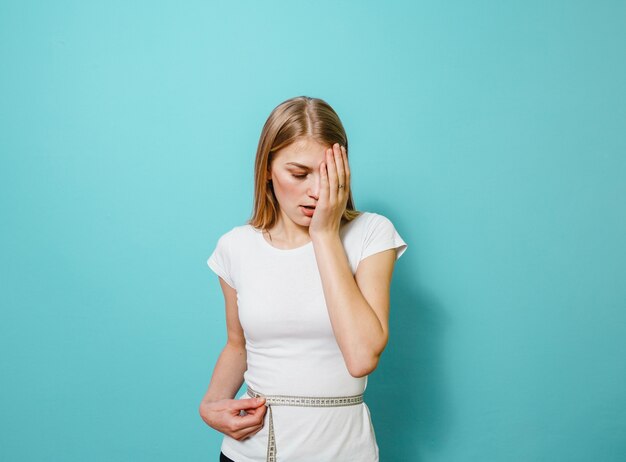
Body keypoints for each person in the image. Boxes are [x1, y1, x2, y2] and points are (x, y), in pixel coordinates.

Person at [199, 96, 407, 462]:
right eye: (298, 174)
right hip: (251, 453)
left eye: (326, 174)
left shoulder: (371, 234)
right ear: (267, 169)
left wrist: (324, 235)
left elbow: (361, 356)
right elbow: (237, 344)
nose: (315, 191)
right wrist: (210, 406)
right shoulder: (235, 246)